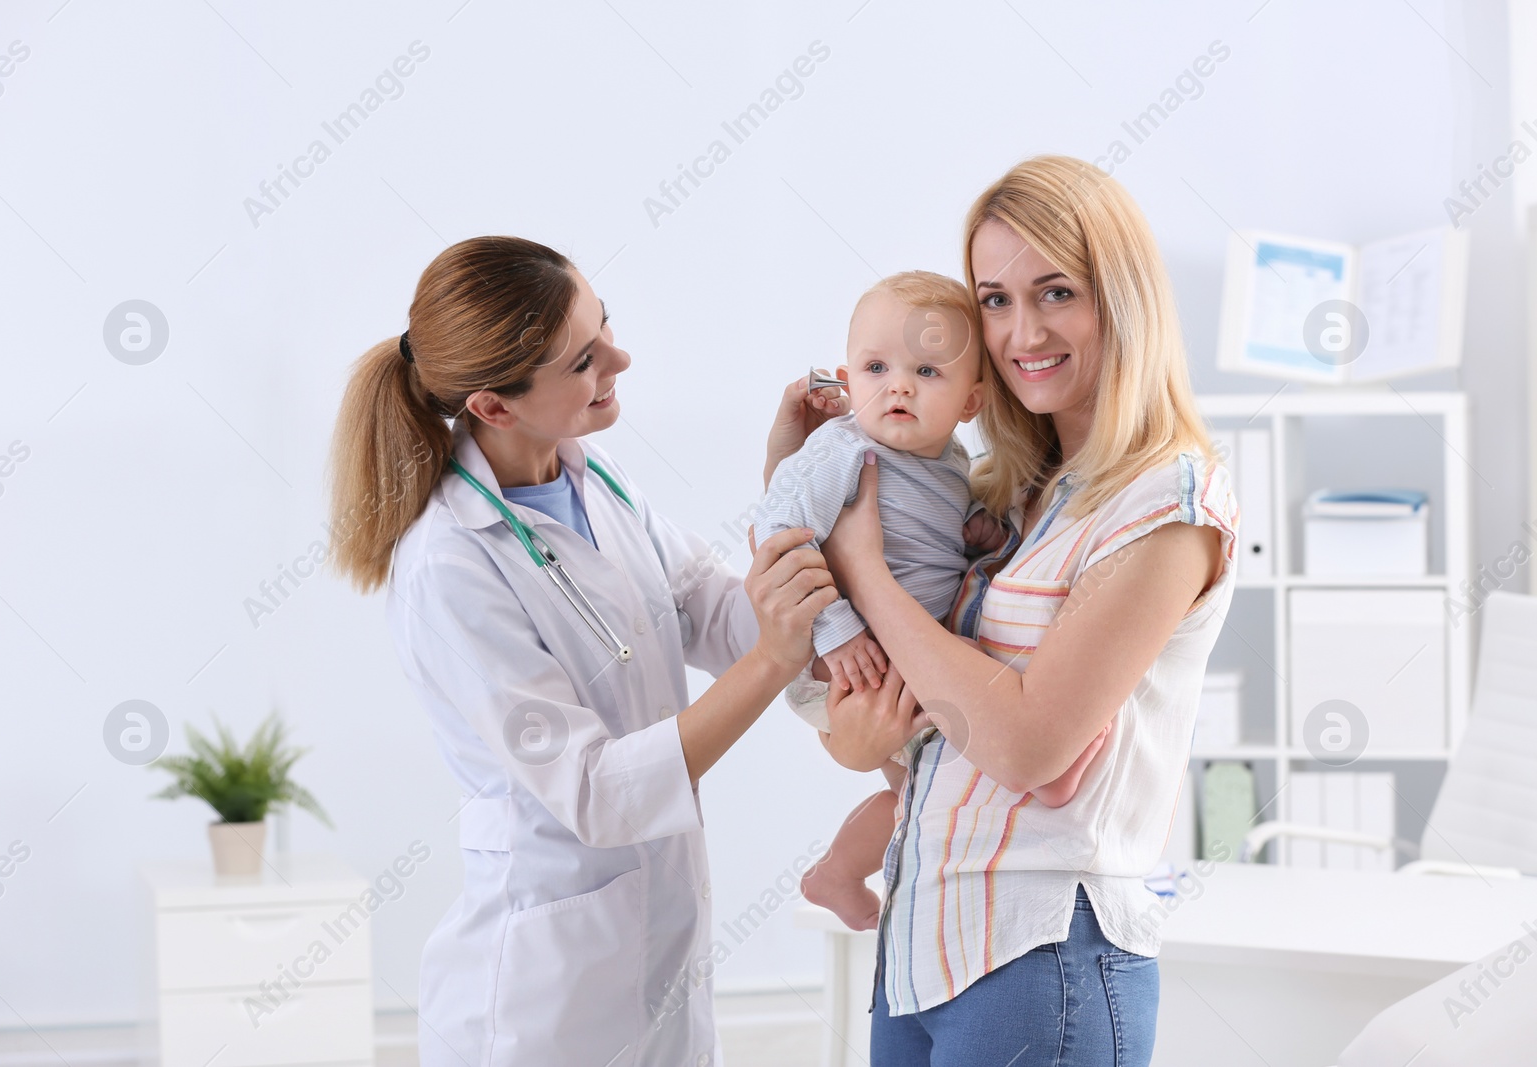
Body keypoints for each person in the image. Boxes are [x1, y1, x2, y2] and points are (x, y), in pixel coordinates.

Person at [326, 235, 843, 1066]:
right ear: (495, 406)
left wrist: (792, 486)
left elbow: (718, 612)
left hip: (656, 949)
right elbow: (598, 792)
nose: (621, 357)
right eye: (585, 358)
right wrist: (773, 663)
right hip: (543, 1001)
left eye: (607, 325)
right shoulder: (451, 563)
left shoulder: (592, 477)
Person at [789, 156, 1240, 1066]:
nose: (1021, 330)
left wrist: (863, 568)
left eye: (1056, 292)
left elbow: (1031, 745)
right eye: (994, 299)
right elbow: (904, 724)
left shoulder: (1164, 504)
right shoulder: (1007, 495)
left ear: (1122, 299)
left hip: (1043, 959)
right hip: (920, 945)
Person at [750, 270, 1109, 932]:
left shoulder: (948, 463)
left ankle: (837, 871)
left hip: (902, 651)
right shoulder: (843, 451)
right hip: (845, 661)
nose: (899, 385)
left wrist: (981, 529)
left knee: (913, 789)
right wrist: (835, 633)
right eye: (876, 366)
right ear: (846, 378)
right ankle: (836, 870)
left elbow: (947, 529)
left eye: (926, 371)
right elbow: (777, 534)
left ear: (971, 400)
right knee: (937, 772)